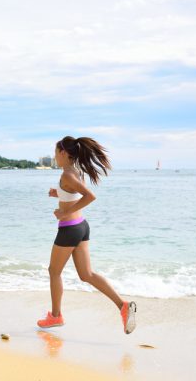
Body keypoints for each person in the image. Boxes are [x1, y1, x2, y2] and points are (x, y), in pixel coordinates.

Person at [37, 136, 136, 334]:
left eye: (56, 153)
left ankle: (55, 316)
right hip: (81, 226)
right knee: (86, 275)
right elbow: (73, 192)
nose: (55, 157)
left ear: (64, 153)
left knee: (54, 271)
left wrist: (64, 212)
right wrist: (58, 194)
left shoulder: (67, 174)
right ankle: (123, 306)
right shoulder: (75, 171)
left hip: (69, 229)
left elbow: (90, 196)